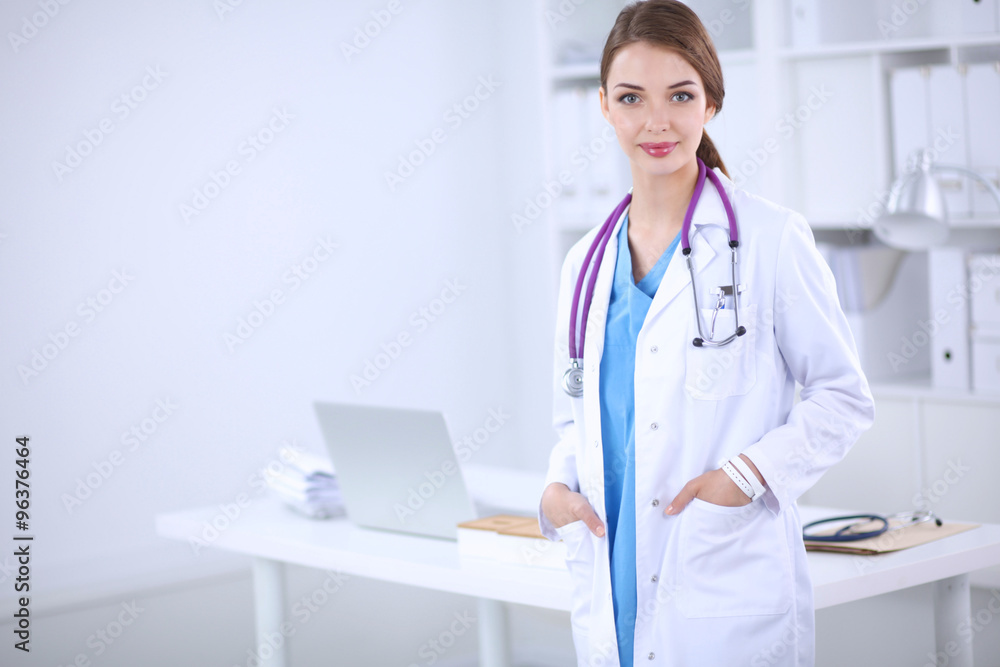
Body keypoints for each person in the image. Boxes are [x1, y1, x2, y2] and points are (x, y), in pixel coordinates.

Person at [537, 1, 875, 665]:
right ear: (604, 105)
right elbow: (575, 417)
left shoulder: (771, 240)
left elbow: (844, 397)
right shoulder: (584, 265)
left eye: (680, 95)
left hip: (721, 588)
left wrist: (745, 476)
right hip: (611, 585)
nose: (656, 121)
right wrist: (556, 491)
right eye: (632, 97)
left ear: (710, 105)